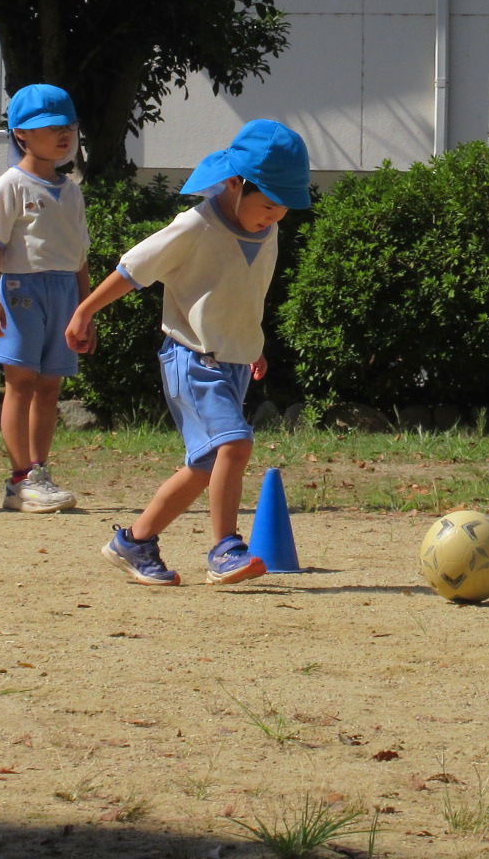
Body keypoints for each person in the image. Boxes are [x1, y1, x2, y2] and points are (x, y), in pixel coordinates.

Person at [65, 120, 311, 586]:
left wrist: (251, 346)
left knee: (202, 467)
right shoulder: (196, 225)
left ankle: (134, 541)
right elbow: (133, 268)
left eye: (284, 209)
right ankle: (225, 549)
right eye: (269, 205)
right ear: (237, 183)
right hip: (194, 359)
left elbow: (244, 294)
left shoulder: (265, 227)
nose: (275, 217)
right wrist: (85, 311)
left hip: (232, 359)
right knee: (235, 445)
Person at [0, 84, 91, 514]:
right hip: (21, 291)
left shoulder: (73, 190)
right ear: (22, 134)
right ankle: (20, 477)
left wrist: (85, 309)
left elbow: (79, 256)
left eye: (69, 126)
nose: (63, 136)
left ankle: (39, 472)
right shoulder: (10, 185)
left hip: (64, 291)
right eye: (51, 128)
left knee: (50, 386)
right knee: (20, 382)